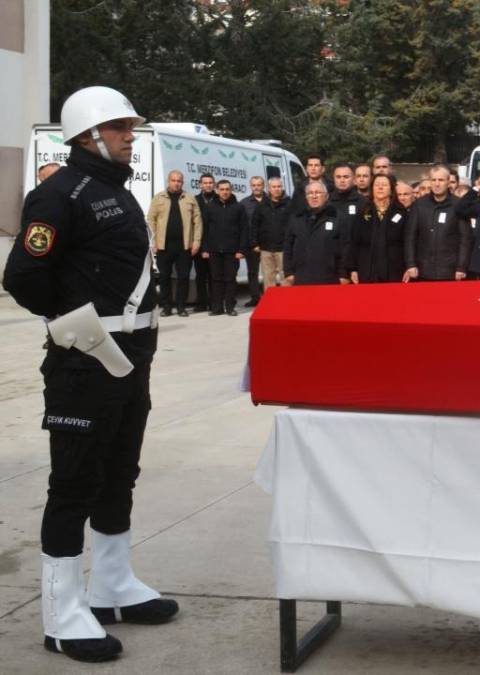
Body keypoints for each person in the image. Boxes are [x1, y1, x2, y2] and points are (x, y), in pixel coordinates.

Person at [3, 86, 179, 663]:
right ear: (89, 135)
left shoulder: (115, 190)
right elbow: (24, 276)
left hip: (131, 358)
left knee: (118, 474)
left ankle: (111, 587)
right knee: (73, 485)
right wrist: (73, 320)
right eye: (121, 128)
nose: (131, 136)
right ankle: (62, 614)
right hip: (84, 361)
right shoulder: (59, 195)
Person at [146, 170, 202, 317]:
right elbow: (150, 219)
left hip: (184, 246)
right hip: (163, 246)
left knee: (183, 277)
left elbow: (198, 222)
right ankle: (166, 307)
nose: (176, 183)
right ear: (168, 181)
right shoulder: (158, 198)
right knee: (164, 277)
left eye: (179, 181)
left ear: (182, 183)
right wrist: (153, 241)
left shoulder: (189, 198)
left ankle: (181, 307)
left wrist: (196, 242)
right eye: (174, 180)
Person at [405, 164, 469, 281]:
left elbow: (464, 239)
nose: (437, 183)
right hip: (423, 270)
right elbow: (410, 237)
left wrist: (461, 267)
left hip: (449, 271)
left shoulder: (459, 205)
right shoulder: (419, 205)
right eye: (433, 180)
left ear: (448, 182)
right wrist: (410, 264)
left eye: (441, 180)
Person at [342, 173, 406, 283]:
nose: (380, 187)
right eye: (377, 185)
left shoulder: (401, 212)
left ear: (391, 190)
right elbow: (354, 242)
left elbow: (407, 242)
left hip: (394, 269)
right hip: (367, 268)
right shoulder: (363, 212)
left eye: (384, 185)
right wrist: (352, 269)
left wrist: (408, 266)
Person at [284, 181, 345, 285]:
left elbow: (345, 246)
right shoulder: (296, 218)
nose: (314, 196)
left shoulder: (337, 217)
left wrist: (343, 274)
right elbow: (288, 246)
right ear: (306, 197)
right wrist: (288, 271)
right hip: (302, 276)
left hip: (329, 276)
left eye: (318, 193)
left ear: (326, 196)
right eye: (310, 193)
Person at [202, 179, 248, 316]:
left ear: (231, 190)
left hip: (232, 251)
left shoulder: (239, 207)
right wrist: (204, 248)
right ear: (217, 190)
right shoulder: (210, 207)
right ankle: (217, 308)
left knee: (230, 279)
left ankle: (230, 307)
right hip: (214, 249)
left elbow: (244, 229)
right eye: (222, 189)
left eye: (227, 189)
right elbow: (204, 229)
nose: (224, 192)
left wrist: (241, 250)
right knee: (216, 280)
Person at [250, 177, 291, 291]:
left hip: (284, 248)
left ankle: (288, 304)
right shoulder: (262, 206)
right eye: (274, 187)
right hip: (266, 248)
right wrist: (255, 243)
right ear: (269, 189)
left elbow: (294, 226)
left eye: (279, 186)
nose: (277, 189)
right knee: (268, 279)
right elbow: (255, 225)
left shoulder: (289, 205)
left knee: (286, 279)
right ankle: (270, 304)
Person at [239, 176, 265, 307]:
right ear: (251, 186)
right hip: (252, 245)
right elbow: (242, 226)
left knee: (271, 273)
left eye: (259, 185)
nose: (256, 187)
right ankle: (255, 298)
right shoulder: (244, 203)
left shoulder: (271, 200)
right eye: (254, 185)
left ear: (263, 185)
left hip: (269, 244)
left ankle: (271, 297)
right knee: (252, 272)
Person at [193, 173, 217, 312]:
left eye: (210, 182)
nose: (208, 185)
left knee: (214, 275)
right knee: (200, 275)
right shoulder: (195, 200)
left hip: (215, 244)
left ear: (213, 184)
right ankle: (202, 302)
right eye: (205, 183)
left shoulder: (219, 199)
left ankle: (215, 302)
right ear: (200, 185)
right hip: (199, 243)